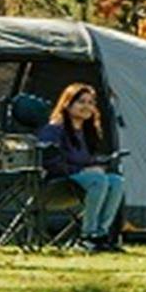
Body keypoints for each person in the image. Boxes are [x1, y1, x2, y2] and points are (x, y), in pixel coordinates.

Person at [35, 82, 125, 253]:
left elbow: (84, 161)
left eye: (91, 103)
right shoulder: (54, 130)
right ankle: (87, 235)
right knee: (97, 179)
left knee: (116, 180)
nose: (87, 107)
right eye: (81, 102)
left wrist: (99, 165)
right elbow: (49, 162)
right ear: (67, 104)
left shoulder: (86, 132)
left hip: (80, 184)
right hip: (54, 186)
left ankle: (101, 234)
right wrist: (80, 171)